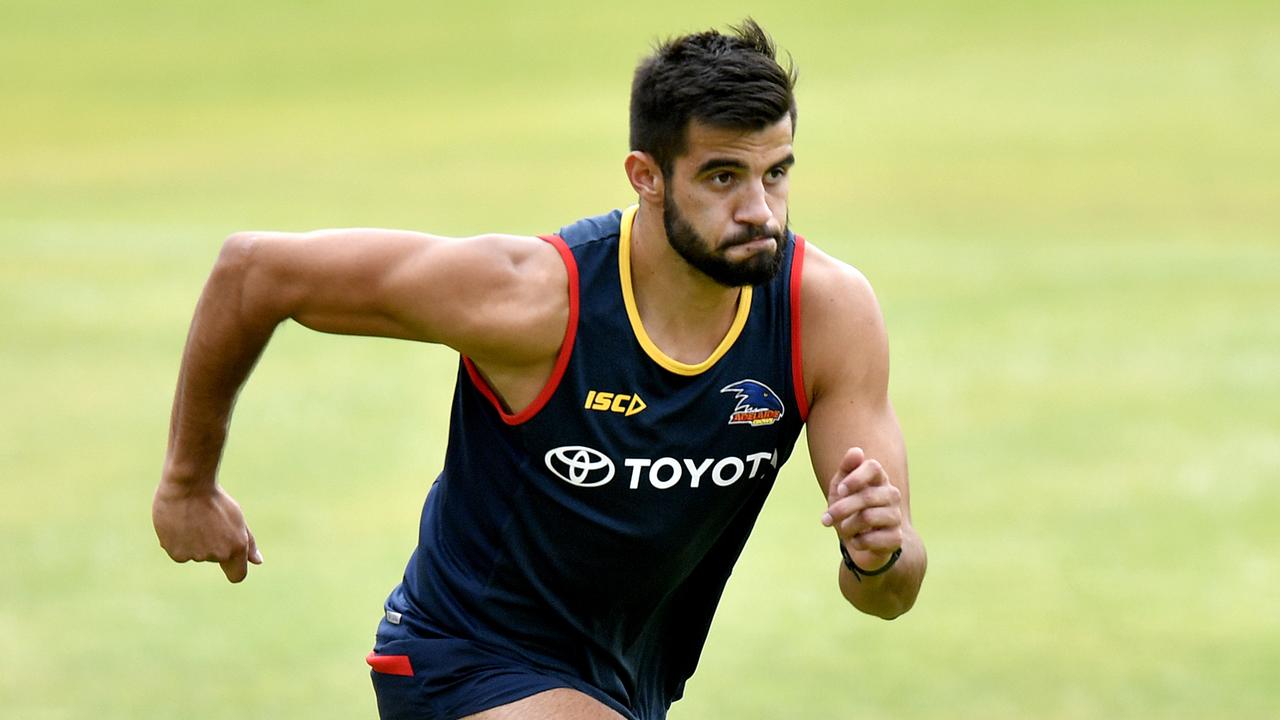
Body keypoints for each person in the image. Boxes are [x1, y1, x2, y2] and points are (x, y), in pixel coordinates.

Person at [152, 18, 926, 720]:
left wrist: (879, 551)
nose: (760, 209)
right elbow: (254, 271)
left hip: (625, 688)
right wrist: (188, 483)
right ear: (645, 175)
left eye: (777, 174)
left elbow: (889, 596)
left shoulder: (824, 314)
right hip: (461, 659)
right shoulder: (534, 301)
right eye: (723, 177)